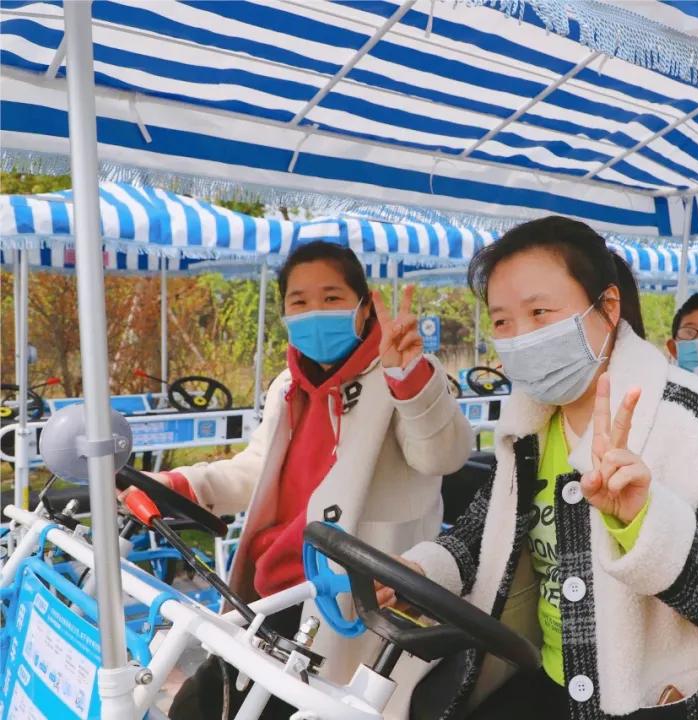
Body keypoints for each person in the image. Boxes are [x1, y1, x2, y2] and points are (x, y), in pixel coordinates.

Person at [387, 216, 698, 720]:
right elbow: (479, 535)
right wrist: (421, 570)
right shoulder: (528, 426)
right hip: (548, 677)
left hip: (659, 702)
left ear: (608, 307)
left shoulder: (690, 419)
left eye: (540, 312)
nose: (519, 338)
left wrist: (644, 519)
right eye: (503, 321)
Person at [150, 240, 474, 719]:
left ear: (364, 308)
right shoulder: (288, 386)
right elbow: (257, 469)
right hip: (270, 591)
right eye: (298, 302)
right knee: (200, 706)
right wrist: (182, 484)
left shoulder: (401, 380)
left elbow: (442, 455)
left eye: (331, 297)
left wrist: (411, 378)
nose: (314, 311)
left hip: (345, 599)